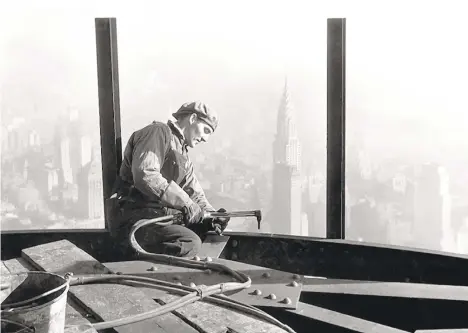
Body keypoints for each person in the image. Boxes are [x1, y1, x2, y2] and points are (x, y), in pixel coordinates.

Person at [110, 101, 229, 258]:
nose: (205, 139)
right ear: (193, 118)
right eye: (206, 130)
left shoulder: (182, 155)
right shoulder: (158, 133)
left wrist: (212, 216)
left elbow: (194, 194)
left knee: (203, 231)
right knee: (189, 243)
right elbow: (145, 175)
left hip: (154, 218)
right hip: (133, 218)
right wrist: (186, 204)